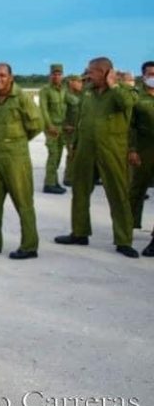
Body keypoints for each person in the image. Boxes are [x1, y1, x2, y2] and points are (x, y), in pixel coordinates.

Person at [54, 57, 138, 258]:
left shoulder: (124, 91)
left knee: (118, 195)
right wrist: (74, 144)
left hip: (112, 151)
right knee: (80, 192)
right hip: (86, 151)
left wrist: (114, 85)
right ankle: (79, 233)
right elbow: (81, 119)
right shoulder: (88, 92)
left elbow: (127, 104)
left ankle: (124, 240)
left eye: (92, 71)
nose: (88, 75)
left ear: (105, 72)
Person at [0, 63, 43, 260]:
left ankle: (29, 246)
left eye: (2, 75)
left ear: (11, 77)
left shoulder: (21, 97)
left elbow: (37, 124)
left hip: (16, 157)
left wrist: (18, 141)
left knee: (23, 201)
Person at [129, 61, 154, 257]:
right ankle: (127, 227)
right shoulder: (136, 97)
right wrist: (131, 149)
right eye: (150, 74)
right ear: (143, 76)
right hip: (144, 149)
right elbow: (130, 126)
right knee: (137, 189)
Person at [39, 63, 68, 194]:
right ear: (50, 75)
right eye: (54, 74)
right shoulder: (45, 90)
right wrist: (49, 125)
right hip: (51, 128)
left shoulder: (64, 90)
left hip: (61, 127)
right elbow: (43, 109)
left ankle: (54, 181)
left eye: (59, 74)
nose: (56, 76)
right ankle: (49, 184)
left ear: (62, 76)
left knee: (59, 155)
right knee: (53, 154)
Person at [62, 74, 84, 186]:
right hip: (70, 130)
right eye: (78, 82)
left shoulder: (80, 95)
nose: (81, 84)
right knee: (72, 153)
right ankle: (68, 178)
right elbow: (60, 111)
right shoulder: (65, 95)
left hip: (80, 129)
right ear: (71, 82)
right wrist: (64, 125)